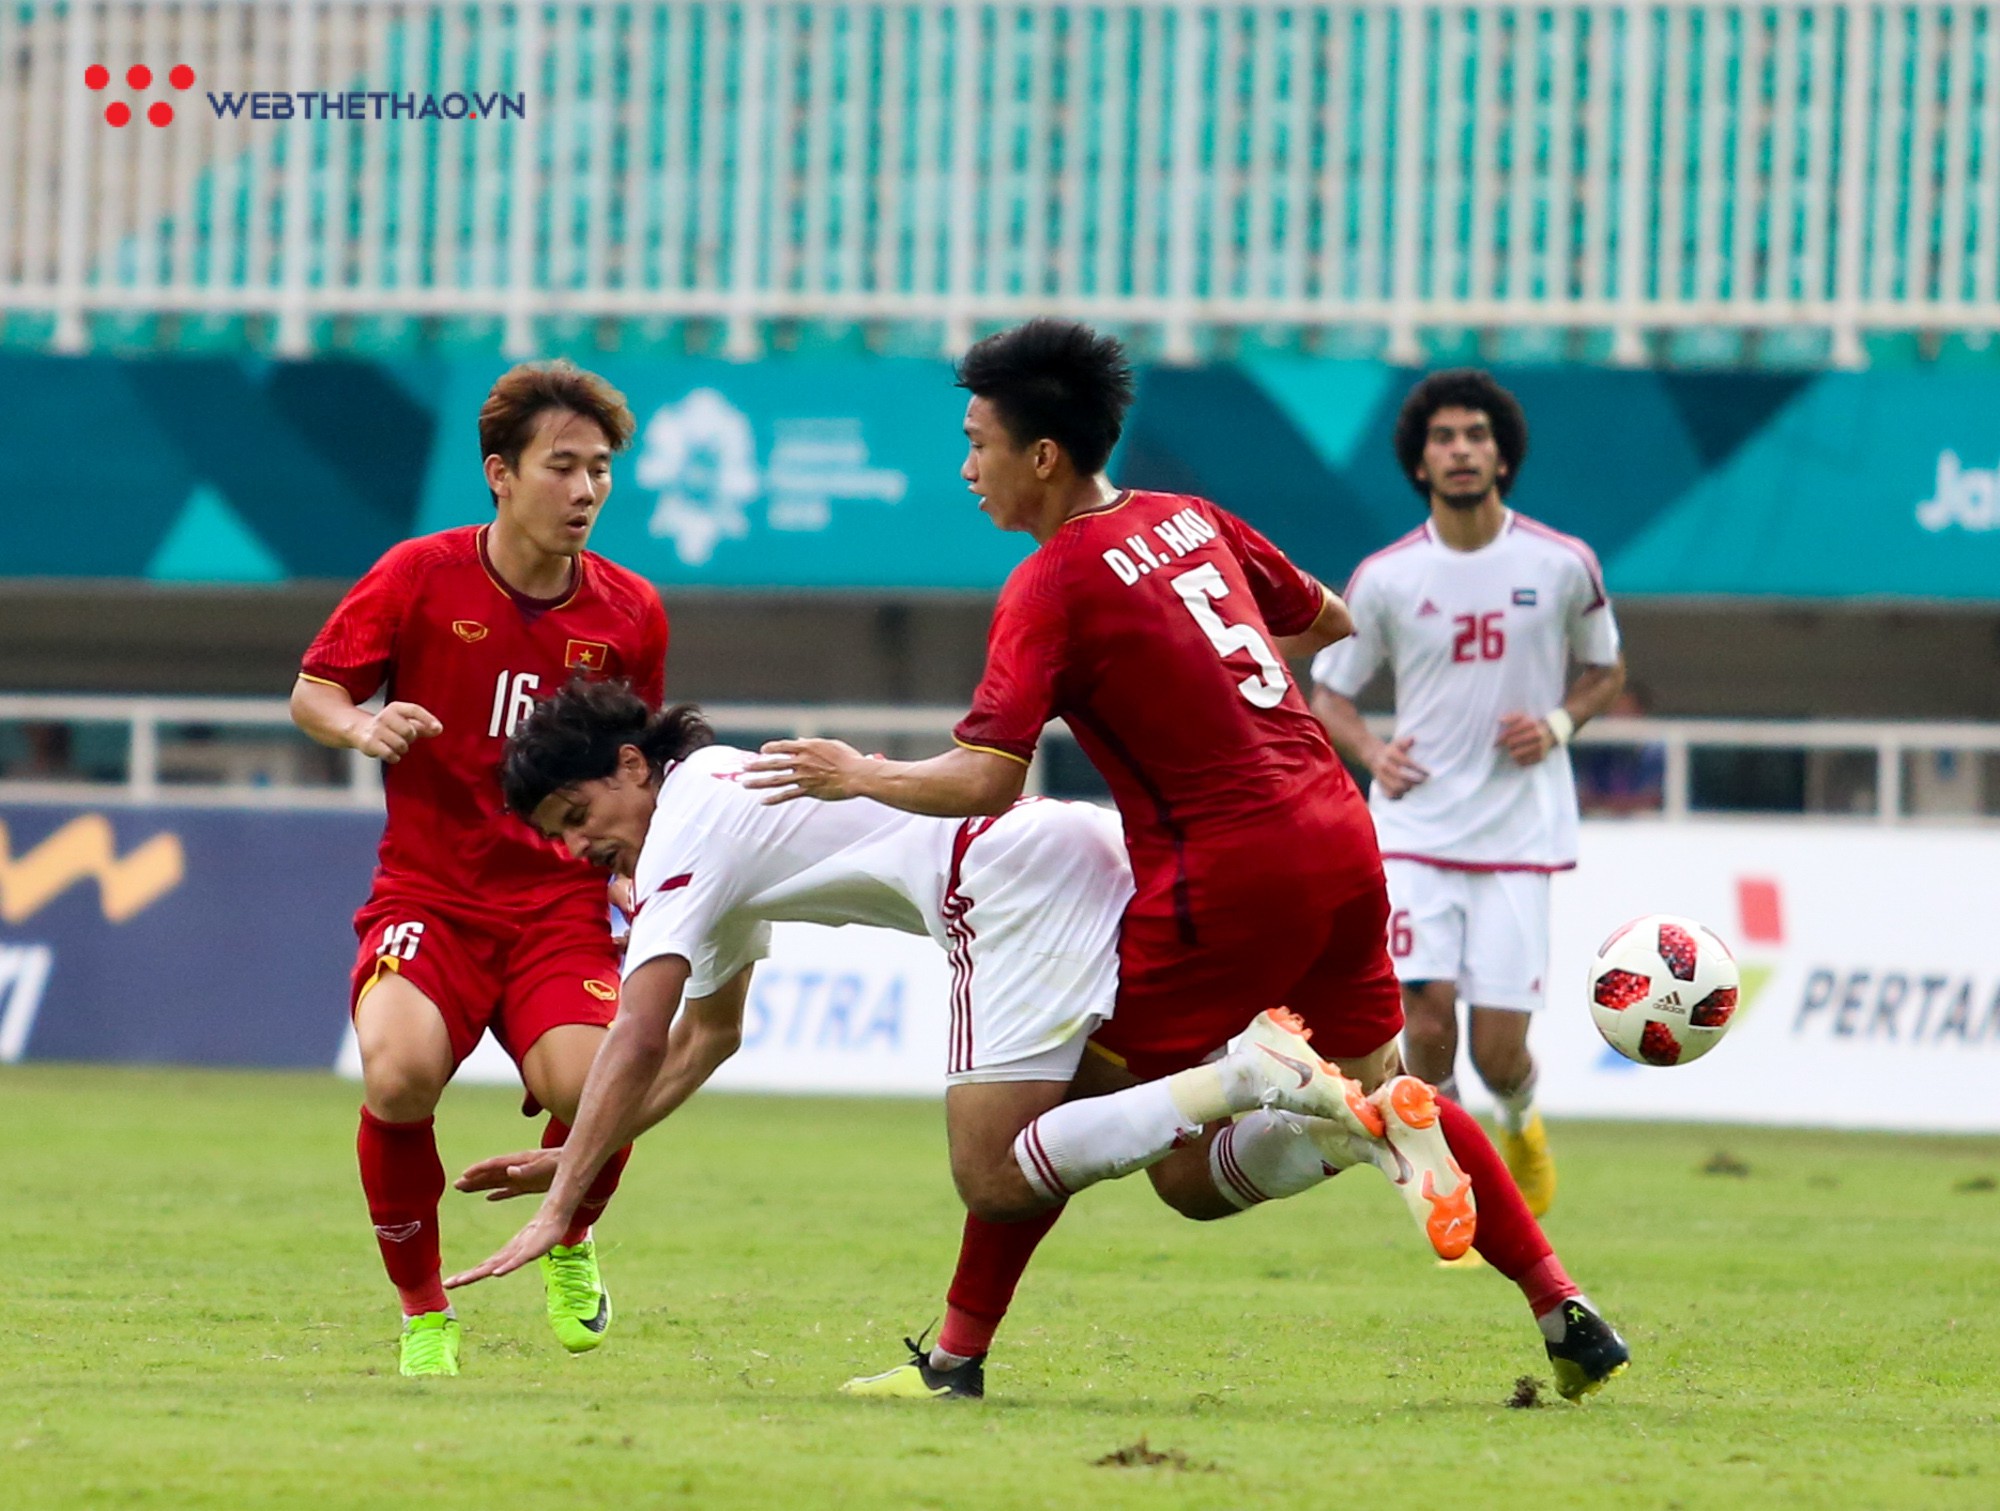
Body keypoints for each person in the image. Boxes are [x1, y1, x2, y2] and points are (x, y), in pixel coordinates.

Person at [739, 322, 1628, 1402]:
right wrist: (1202, 666)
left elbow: (987, 778)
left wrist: (857, 772)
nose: (964, 467)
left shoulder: (1048, 585)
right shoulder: (1187, 516)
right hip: (1339, 839)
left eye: (977, 443)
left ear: (1043, 456)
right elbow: (1329, 617)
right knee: (1366, 1096)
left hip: (1223, 877)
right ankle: (1560, 1305)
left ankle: (956, 1361)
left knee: (1040, 1135)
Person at [291, 359, 668, 1378]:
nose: (585, 490)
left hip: (557, 902)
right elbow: (313, 692)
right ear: (500, 474)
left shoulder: (630, 612)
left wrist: (636, 860)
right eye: (562, 467)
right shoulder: (417, 573)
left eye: (598, 470)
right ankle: (425, 1316)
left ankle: (568, 1229)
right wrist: (362, 723)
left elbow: (638, 766)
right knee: (400, 1072)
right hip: (431, 894)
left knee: (595, 1085)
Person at [1309, 369, 1626, 1223]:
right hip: (1413, 829)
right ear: (1419, 460)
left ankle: (1520, 1123)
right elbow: (1328, 689)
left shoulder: (1561, 564)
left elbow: (1606, 670)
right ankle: (1446, 1172)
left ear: (1502, 454)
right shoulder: (1384, 578)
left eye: (1475, 436)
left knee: (1497, 1052)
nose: (1459, 450)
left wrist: (1558, 723)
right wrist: (1373, 748)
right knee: (1425, 1018)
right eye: (1442, 437)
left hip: (1518, 834)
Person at [1575, 683, 1666, 817]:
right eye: (1614, 711)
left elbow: (1654, 798)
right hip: (1603, 826)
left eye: (1625, 711)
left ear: (1639, 713)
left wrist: (1611, 804)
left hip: (1648, 828)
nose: (1617, 718)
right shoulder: (1599, 753)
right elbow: (1585, 797)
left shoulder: (1656, 752)